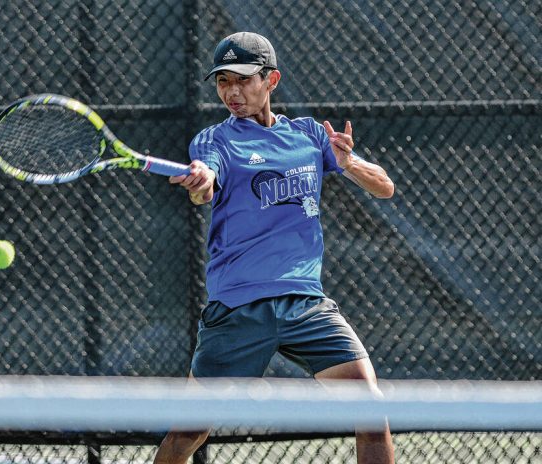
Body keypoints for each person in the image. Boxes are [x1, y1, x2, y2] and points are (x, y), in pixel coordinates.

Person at [154, 32, 395, 464]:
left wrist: (348, 163)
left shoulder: (309, 134)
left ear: (271, 80)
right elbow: (205, 184)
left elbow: (384, 187)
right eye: (223, 81)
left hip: (305, 303)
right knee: (188, 432)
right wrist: (200, 181)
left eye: (243, 79)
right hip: (238, 308)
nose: (232, 91)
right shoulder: (214, 141)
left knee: (371, 410)